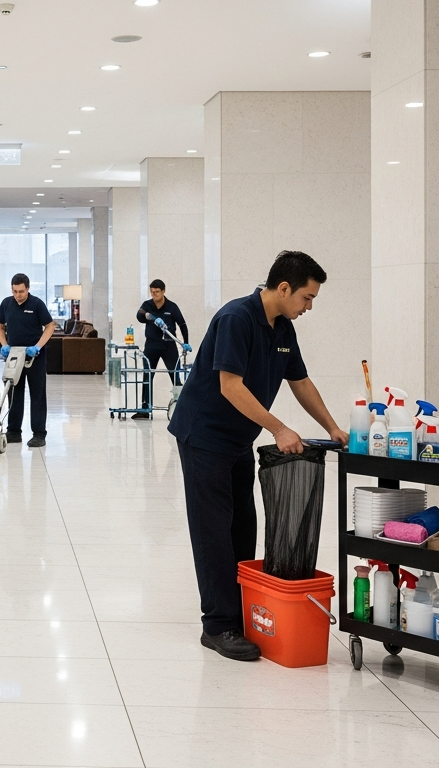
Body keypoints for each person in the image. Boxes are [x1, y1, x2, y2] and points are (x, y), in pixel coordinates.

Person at [167, 251, 349, 662]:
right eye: (307, 297)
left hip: (237, 440)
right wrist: (279, 428)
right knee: (213, 530)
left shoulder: (283, 328)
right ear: (283, 289)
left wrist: (332, 428)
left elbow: (300, 381)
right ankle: (217, 626)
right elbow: (230, 386)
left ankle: (240, 614)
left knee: (242, 528)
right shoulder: (237, 318)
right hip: (204, 436)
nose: (309, 307)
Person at [0, 273, 56, 448]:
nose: (18, 295)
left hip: (34, 355)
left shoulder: (36, 304)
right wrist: (4, 345)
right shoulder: (6, 303)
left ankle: (39, 434)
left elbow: (50, 325)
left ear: (28, 289)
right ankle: (14, 432)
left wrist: (38, 346)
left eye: (21, 291)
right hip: (14, 355)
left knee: (37, 395)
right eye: (15, 291)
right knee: (14, 393)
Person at [133, 279, 191, 419]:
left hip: (168, 345)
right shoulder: (148, 304)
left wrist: (186, 343)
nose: (155, 295)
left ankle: (181, 408)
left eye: (157, 292)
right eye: (152, 292)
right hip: (151, 345)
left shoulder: (172, 307)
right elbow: (139, 315)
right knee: (147, 375)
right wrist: (150, 316)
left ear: (163, 291)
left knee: (175, 375)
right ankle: (145, 408)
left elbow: (182, 325)